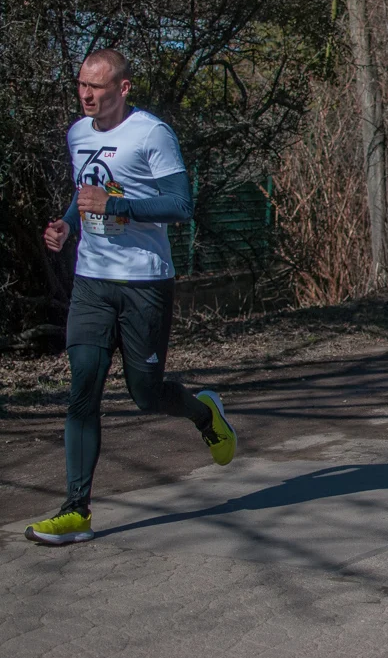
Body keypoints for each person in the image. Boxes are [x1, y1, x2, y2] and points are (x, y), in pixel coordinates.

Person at [25, 50, 236, 546]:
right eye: (81, 85)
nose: (86, 95)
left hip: (144, 282)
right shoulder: (78, 134)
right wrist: (65, 225)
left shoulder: (150, 134)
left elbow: (181, 205)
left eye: (96, 87)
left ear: (123, 88)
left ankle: (204, 412)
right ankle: (76, 511)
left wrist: (118, 205)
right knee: (84, 388)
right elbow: (86, 192)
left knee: (145, 394)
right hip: (92, 281)